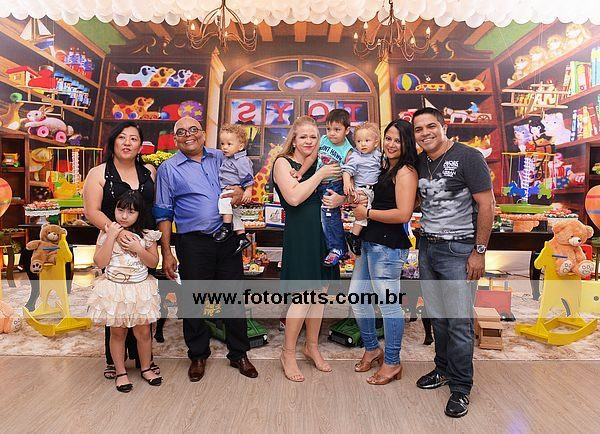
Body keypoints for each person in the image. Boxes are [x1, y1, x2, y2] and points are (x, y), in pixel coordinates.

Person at [153, 116, 258, 381]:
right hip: (193, 242)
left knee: (233, 298)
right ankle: (198, 355)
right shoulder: (168, 168)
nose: (188, 135)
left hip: (227, 238)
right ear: (175, 138)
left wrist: (241, 191)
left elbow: (243, 180)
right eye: (181, 131)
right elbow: (163, 212)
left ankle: (239, 354)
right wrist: (166, 252)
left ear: (202, 133)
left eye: (193, 129)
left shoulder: (221, 156)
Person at [412, 107, 494, 418]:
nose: (425, 133)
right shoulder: (420, 161)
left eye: (431, 126)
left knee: (459, 322)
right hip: (427, 248)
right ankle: (443, 369)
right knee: (438, 317)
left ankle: (461, 387)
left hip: (459, 250)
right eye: (419, 129)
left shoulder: (468, 157)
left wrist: (479, 251)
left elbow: (487, 205)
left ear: (443, 126)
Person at [82, 121, 159, 380]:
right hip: (113, 239)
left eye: (133, 138)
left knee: (141, 307)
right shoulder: (99, 173)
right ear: (113, 141)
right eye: (122, 137)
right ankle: (115, 363)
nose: (127, 142)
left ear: (140, 145)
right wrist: (116, 232)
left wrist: (146, 241)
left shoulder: (149, 171)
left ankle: (144, 361)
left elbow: (153, 207)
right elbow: (92, 210)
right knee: (116, 304)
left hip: (144, 241)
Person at [272, 115, 344, 382]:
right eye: (303, 136)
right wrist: (321, 175)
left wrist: (340, 198)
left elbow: (338, 190)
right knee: (303, 296)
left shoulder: (320, 161)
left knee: (320, 294)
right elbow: (294, 197)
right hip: (301, 234)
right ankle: (287, 353)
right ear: (293, 138)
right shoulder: (283, 163)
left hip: (325, 233)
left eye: (314, 136)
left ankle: (311, 346)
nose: (309, 141)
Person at [348, 119, 418, 385]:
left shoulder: (406, 171)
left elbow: (403, 214)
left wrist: (367, 212)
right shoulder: (383, 166)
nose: (391, 144)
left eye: (398, 140)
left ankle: (392, 361)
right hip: (370, 242)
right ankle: (371, 348)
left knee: (389, 306)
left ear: (407, 143)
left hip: (388, 248)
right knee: (357, 298)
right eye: (388, 138)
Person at [88, 190, 163, 393]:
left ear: (139, 213)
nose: (124, 216)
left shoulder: (148, 235)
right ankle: (120, 372)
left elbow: (153, 263)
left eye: (130, 212)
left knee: (144, 332)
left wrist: (139, 249)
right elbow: (100, 262)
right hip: (116, 291)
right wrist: (111, 236)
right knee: (117, 332)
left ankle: (146, 368)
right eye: (120, 210)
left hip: (139, 290)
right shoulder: (106, 233)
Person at [293, 109, 353, 266]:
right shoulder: (324, 140)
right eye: (328, 129)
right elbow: (312, 157)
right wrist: (300, 173)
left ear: (347, 130)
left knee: (329, 215)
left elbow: (350, 171)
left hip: (334, 184)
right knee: (325, 216)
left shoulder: (348, 150)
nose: (331, 133)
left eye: (337, 129)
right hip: (320, 183)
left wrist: (347, 185)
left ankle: (337, 249)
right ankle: (340, 248)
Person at [212, 123, 254, 255]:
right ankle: (242, 237)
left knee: (223, 201)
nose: (224, 147)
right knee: (236, 215)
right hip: (230, 188)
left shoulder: (241, 160)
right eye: (222, 143)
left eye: (229, 144)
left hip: (232, 188)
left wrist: (248, 190)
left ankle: (226, 228)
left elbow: (247, 176)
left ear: (240, 146)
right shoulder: (228, 157)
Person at [342, 122, 382, 256]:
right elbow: (347, 170)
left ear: (376, 142)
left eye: (367, 140)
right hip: (362, 190)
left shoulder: (378, 155)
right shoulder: (356, 156)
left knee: (371, 214)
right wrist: (347, 183)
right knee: (363, 214)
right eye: (359, 141)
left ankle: (358, 235)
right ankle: (353, 236)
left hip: (373, 189)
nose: (363, 144)